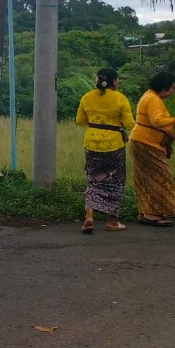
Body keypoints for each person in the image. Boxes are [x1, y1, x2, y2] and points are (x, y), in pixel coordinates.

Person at [129, 71, 175, 226]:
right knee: (162, 175)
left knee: (148, 177)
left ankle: (148, 212)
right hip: (145, 141)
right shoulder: (152, 99)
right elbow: (158, 121)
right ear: (163, 87)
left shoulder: (152, 97)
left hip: (147, 141)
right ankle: (152, 213)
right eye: (171, 88)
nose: (173, 91)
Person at [75, 68, 135, 233]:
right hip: (113, 145)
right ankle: (112, 221)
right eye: (118, 80)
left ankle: (89, 215)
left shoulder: (87, 97)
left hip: (92, 143)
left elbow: (80, 120)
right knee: (116, 182)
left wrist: (96, 125)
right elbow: (130, 124)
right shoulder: (120, 98)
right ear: (114, 81)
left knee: (93, 180)